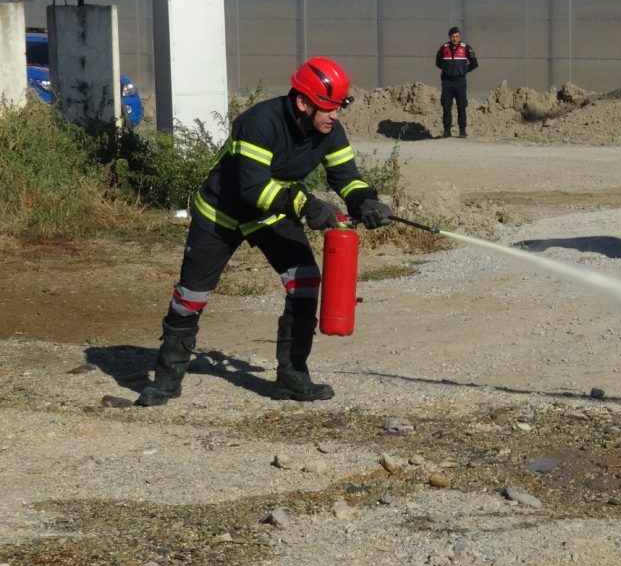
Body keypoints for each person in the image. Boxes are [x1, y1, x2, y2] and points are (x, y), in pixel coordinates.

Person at [135, 57, 393, 407]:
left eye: (338, 108)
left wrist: (366, 202)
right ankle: (166, 379)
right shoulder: (258, 122)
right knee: (190, 297)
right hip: (221, 214)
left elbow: (347, 177)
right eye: (328, 107)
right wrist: (306, 205)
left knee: (304, 282)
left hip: (270, 214)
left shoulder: (329, 132)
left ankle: (292, 376)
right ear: (303, 102)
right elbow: (253, 189)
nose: (335, 116)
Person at [435, 26, 478, 138]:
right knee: (446, 107)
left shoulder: (465, 48)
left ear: (460, 37)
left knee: (461, 106)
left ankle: (462, 131)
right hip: (447, 82)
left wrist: (463, 71)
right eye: (453, 37)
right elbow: (438, 63)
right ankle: (447, 131)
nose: (455, 39)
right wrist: (448, 70)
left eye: (457, 36)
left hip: (460, 82)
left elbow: (474, 64)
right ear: (450, 37)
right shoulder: (444, 48)